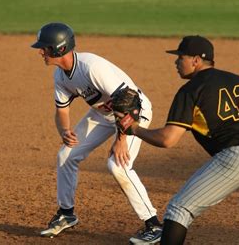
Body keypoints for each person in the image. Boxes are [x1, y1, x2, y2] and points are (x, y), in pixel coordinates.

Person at [116, 35, 239, 244]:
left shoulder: (191, 90)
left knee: (179, 209)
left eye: (180, 57)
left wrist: (134, 128)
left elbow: (167, 139)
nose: (176, 62)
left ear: (195, 60)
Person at [30, 22, 162, 244]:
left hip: (134, 112)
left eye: (45, 47)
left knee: (117, 165)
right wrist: (65, 131)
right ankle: (66, 213)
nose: (41, 52)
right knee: (66, 155)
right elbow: (62, 110)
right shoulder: (60, 76)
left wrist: (121, 139)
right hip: (105, 115)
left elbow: (128, 100)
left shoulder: (90, 67)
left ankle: (154, 225)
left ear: (59, 48)